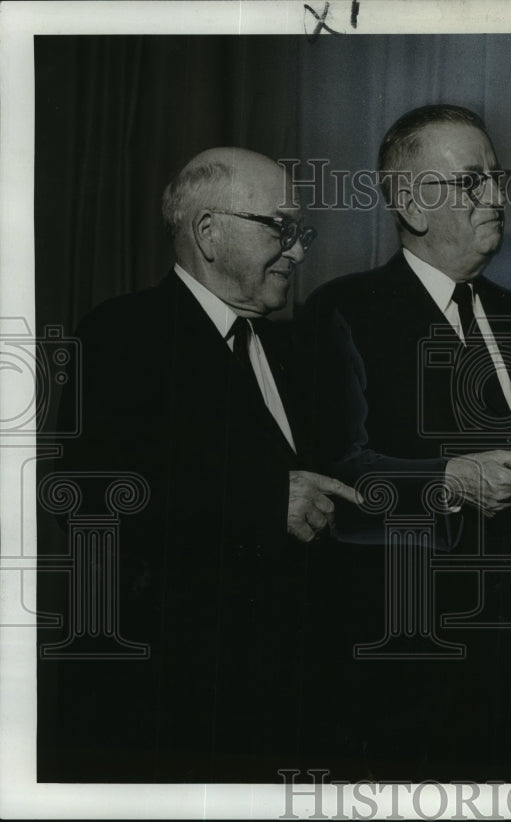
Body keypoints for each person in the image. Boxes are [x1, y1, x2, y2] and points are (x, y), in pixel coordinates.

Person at [37, 147, 404, 782]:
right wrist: (262, 501)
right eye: (281, 228)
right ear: (209, 233)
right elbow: (83, 494)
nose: (298, 250)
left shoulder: (288, 352)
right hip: (176, 718)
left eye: (302, 232)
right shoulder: (124, 332)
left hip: (289, 714)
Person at [299, 104, 511, 781]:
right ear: (409, 203)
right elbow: (336, 481)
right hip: (421, 665)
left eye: (497, 177)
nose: (499, 198)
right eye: (472, 182)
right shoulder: (342, 311)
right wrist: (446, 483)